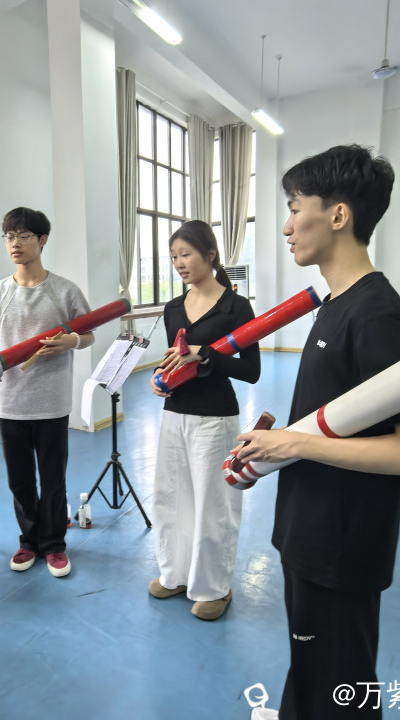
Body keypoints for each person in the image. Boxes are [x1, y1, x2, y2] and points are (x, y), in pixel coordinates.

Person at [234, 145, 400, 719]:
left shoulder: (375, 313)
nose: (286, 226)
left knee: (340, 689)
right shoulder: (334, 304)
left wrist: (296, 443)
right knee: (311, 671)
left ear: (337, 215)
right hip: (310, 527)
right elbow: (337, 420)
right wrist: (277, 445)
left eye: (294, 208)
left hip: (343, 541)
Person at [0, 207, 93, 578]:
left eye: (23, 236)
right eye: (9, 236)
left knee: (53, 480)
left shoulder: (65, 291)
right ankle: (29, 541)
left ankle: (53, 544)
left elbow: (88, 333)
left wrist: (71, 340)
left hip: (51, 402)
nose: (14, 244)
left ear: (42, 240)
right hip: (10, 403)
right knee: (19, 481)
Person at [149, 220, 261, 620]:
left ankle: (214, 588)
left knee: (214, 504)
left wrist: (205, 353)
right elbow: (174, 360)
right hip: (174, 414)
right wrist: (160, 378)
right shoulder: (173, 308)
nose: (180, 263)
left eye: (187, 254)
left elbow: (251, 371)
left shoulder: (236, 307)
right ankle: (175, 574)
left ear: (210, 255)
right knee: (171, 498)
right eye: (174, 256)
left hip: (215, 418)